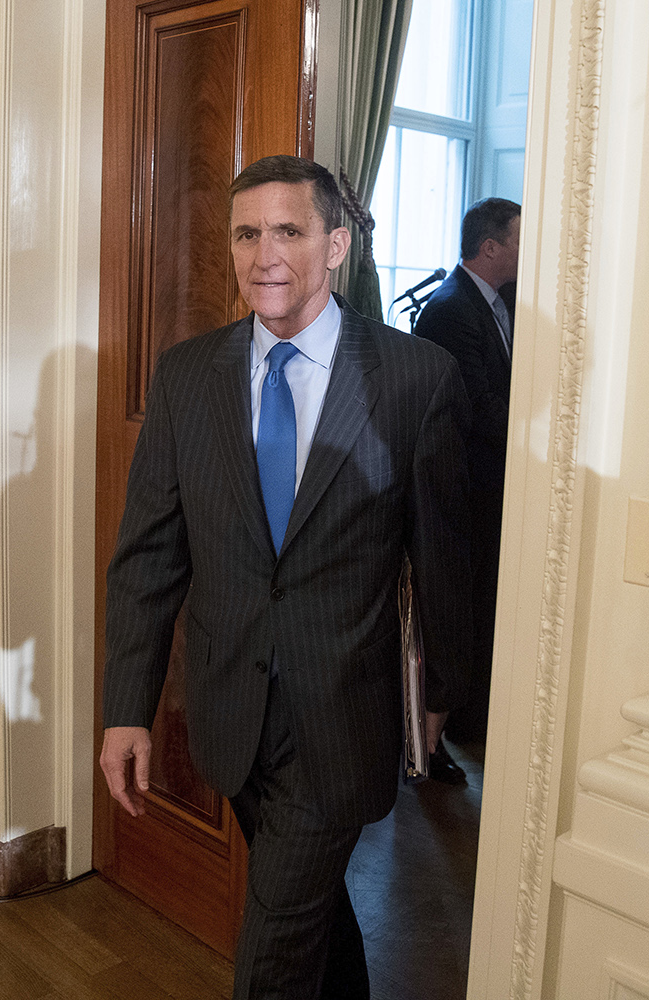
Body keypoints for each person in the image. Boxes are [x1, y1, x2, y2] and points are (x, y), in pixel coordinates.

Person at [100, 155, 472, 1000]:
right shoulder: (187, 375)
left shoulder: (415, 378)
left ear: (335, 244)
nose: (263, 254)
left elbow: (443, 556)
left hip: (343, 717)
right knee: (308, 912)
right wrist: (127, 708)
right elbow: (148, 559)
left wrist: (444, 693)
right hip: (232, 712)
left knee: (272, 953)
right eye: (246, 233)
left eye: (288, 231)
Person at [412, 197, 520, 750]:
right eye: (521, 240)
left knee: (489, 601)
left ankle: (476, 717)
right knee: (463, 607)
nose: (529, 252)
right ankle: (452, 728)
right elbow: (474, 408)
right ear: (491, 247)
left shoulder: (508, 302)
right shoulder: (450, 309)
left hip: (496, 484)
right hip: (464, 486)